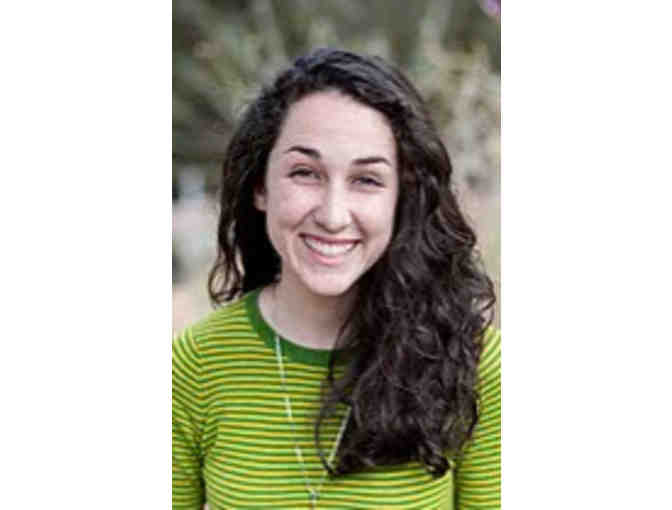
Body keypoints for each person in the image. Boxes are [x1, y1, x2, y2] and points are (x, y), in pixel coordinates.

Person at [173, 48, 500, 509]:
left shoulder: (475, 364)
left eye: (367, 180)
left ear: (401, 198)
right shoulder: (194, 367)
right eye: (305, 173)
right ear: (261, 186)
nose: (332, 215)